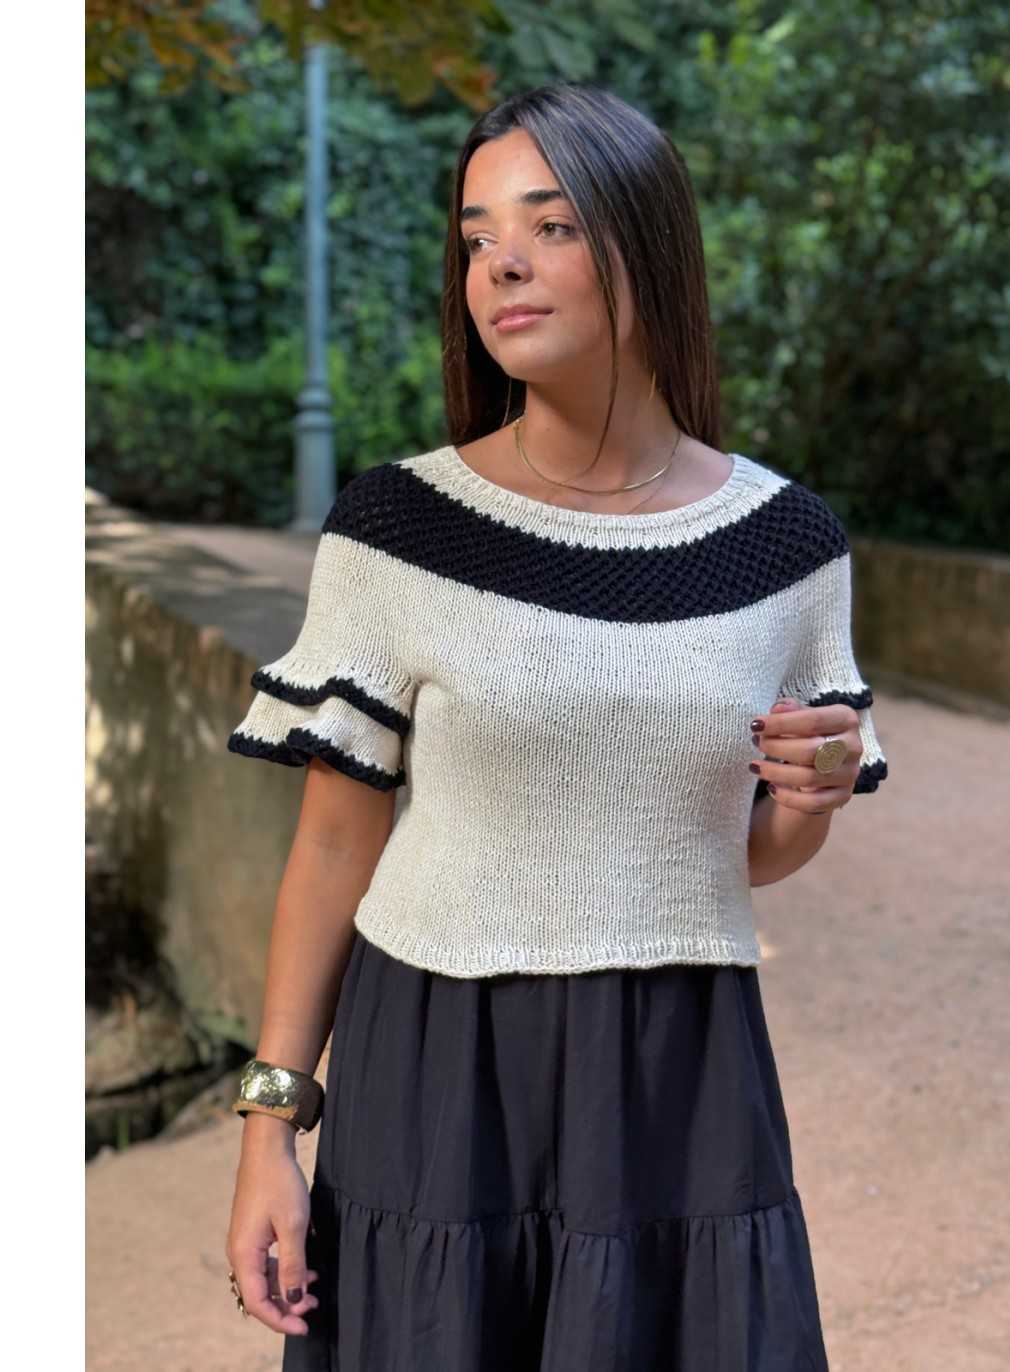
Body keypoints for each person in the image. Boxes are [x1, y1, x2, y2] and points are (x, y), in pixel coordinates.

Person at [223, 80, 888, 1371]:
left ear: (648, 245)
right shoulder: (398, 529)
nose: (502, 265)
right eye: (476, 237)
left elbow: (737, 851)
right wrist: (270, 1128)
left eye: (550, 225)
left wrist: (808, 805)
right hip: (436, 1069)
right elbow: (333, 848)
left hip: (679, 1076)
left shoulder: (786, 545)